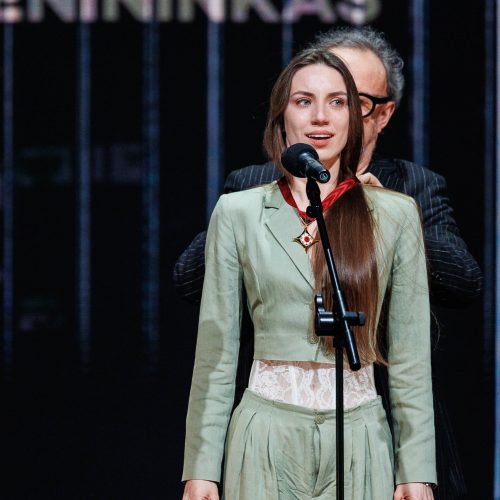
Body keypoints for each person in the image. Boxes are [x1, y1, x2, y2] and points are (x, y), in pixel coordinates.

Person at [175, 27, 482, 499]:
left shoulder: (399, 207)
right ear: (283, 113)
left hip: (361, 425)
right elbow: (213, 346)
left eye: (341, 101)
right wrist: (200, 468)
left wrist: (415, 471)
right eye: (304, 100)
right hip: (265, 426)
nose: (321, 116)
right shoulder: (243, 201)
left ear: (373, 116)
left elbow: (415, 353)